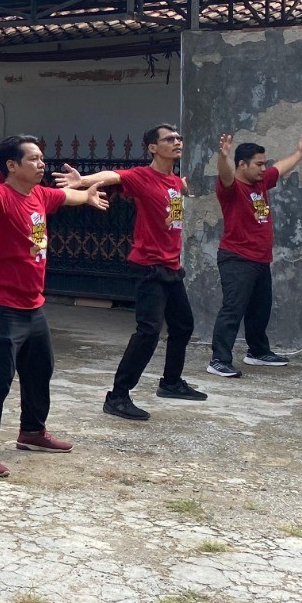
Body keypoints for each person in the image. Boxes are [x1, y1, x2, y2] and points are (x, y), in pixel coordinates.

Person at [0, 135, 109, 478]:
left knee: (41, 369)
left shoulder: (39, 194)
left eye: (42, 158)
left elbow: (67, 196)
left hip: (32, 302)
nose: (41, 164)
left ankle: (32, 432)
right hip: (0, 302)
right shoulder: (1, 195)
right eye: (34, 159)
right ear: (11, 165)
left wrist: (87, 195)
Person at [56, 124, 208, 421]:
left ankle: (171, 383)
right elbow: (113, 176)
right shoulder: (142, 176)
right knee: (148, 331)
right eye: (169, 139)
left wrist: (183, 188)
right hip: (149, 265)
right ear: (152, 147)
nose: (177, 142)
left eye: (179, 138)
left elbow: (175, 202)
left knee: (183, 325)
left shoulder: (174, 181)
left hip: (172, 265)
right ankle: (117, 396)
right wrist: (82, 180)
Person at [206, 133, 302, 378]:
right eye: (258, 164)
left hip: (260, 259)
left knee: (260, 309)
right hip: (237, 258)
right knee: (233, 309)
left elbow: (280, 168)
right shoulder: (232, 189)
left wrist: (300, 154)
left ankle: (257, 352)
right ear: (242, 165)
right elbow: (225, 176)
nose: (263, 168)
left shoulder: (260, 183)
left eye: (264, 163)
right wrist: (222, 157)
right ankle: (219, 360)